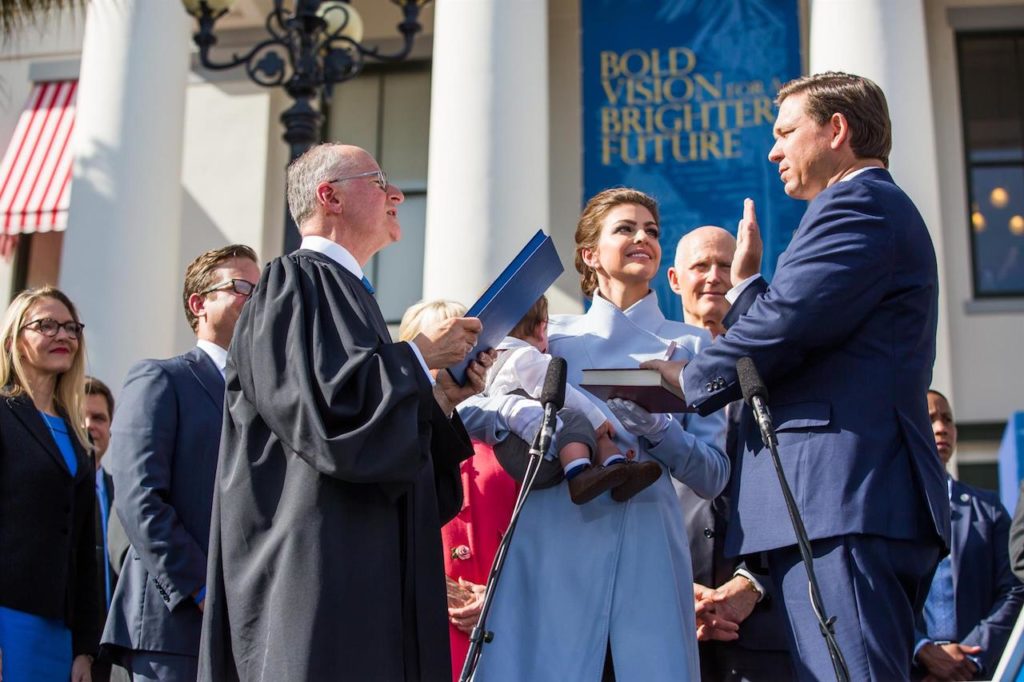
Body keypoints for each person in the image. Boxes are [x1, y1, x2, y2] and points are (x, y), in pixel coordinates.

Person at [648, 72, 951, 680]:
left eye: (786, 132)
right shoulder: (866, 208)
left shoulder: (856, 203)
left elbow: (785, 329)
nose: (773, 150)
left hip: (844, 501)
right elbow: (806, 326)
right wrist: (746, 286)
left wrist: (680, 381)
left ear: (835, 130)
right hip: (840, 504)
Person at [198, 143, 493, 682]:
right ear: (328, 196)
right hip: (315, 573)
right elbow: (324, 415)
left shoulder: (355, 297)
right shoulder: (292, 282)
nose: (397, 194)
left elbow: (371, 418)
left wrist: (442, 397)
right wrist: (418, 357)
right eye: (380, 182)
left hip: (369, 571)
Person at [469, 187, 729, 680]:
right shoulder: (549, 337)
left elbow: (714, 475)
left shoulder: (696, 344)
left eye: (651, 230)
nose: (642, 238)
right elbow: (474, 408)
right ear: (590, 254)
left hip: (650, 555)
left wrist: (656, 429)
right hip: (552, 550)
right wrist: (526, 422)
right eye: (626, 228)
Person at [100, 245, 261, 681]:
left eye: (261, 289)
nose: (256, 298)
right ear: (199, 303)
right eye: (242, 287)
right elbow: (139, 499)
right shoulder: (162, 379)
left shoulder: (266, 398)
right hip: (174, 626)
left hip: (249, 634)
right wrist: (202, 588)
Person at [668, 225, 795, 681]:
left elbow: (801, 487)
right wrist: (677, 592)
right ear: (675, 280)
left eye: (726, 265)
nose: (715, 276)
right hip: (664, 624)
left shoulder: (781, 374)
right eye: (701, 266)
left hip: (761, 629)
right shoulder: (647, 374)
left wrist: (752, 585)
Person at [398, 299, 517, 682]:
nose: (453, 360)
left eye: (462, 348)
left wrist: (501, 598)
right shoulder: (391, 447)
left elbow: (537, 543)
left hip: (502, 638)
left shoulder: (509, 441)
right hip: (417, 632)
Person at [0, 286, 99, 682]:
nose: (63, 336)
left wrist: (85, 649)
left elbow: (83, 545)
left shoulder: (79, 436)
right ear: (16, 342)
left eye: (71, 327)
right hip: (9, 620)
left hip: (62, 633)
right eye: (47, 326)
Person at [486, 294, 661, 504]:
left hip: (508, 451)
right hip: (532, 451)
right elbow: (558, 391)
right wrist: (597, 418)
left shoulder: (491, 361)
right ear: (541, 329)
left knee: (575, 426)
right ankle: (580, 476)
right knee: (575, 419)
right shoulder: (524, 357)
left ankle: (618, 469)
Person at [913, 389, 1024, 681]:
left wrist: (970, 658)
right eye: (931, 419)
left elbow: (1013, 588)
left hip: (972, 670)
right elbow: (875, 591)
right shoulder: (884, 511)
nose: (941, 428)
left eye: (948, 420)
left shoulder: (987, 509)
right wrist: (922, 649)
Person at [84, 376, 121, 682]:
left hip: (111, 657)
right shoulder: (56, 493)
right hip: (66, 648)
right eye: (80, 415)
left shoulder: (122, 494)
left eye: (98, 418)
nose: (89, 425)